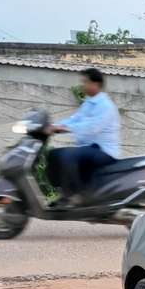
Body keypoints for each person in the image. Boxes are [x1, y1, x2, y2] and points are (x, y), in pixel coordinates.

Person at [46, 68, 121, 206]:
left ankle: (77, 195)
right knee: (53, 154)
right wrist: (53, 126)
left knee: (68, 155)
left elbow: (92, 127)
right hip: (89, 148)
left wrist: (65, 128)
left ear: (96, 84)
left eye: (85, 82)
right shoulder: (88, 103)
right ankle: (63, 192)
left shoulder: (106, 106)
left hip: (104, 151)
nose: (82, 85)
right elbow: (75, 119)